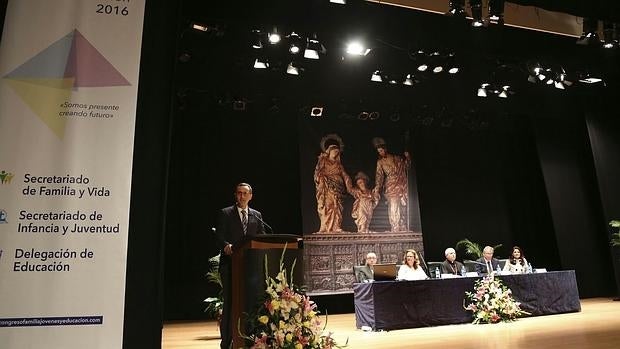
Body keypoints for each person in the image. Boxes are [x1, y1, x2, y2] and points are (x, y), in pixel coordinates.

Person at [214, 182, 265, 349]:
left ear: (250, 196)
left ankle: (251, 338)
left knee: (251, 302)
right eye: (239, 193)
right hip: (230, 265)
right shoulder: (226, 213)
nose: (242, 196)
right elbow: (219, 236)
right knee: (230, 303)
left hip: (250, 267)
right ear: (235, 195)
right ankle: (227, 342)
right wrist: (226, 245)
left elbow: (262, 237)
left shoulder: (256, 215)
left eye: (245, 193)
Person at [314, 134, 352, 233]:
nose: (336, 154)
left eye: (337, 152)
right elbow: (318, 171)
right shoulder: (323, 160)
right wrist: (321, 178)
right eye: (334, 151)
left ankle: (336, 226)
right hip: (327, 186)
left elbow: (345, 175)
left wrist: (350, 187)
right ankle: (324, 226)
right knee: (328, 205)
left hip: (338, 188)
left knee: (337, 207)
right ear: (329, 151)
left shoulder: (339, 164)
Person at [372, 137, 411, 232]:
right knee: (394, 205)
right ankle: (395, 226)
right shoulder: (380, 162)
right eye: (378, 152)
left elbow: (407, 167)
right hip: (391, 185)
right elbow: (379, 176)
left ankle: (402, 225)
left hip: (401, 184)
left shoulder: (397, 158)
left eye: (381, 150)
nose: (380, 153)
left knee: (403, 205)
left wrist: (408, 157)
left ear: (385, 149)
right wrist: (377, 187)